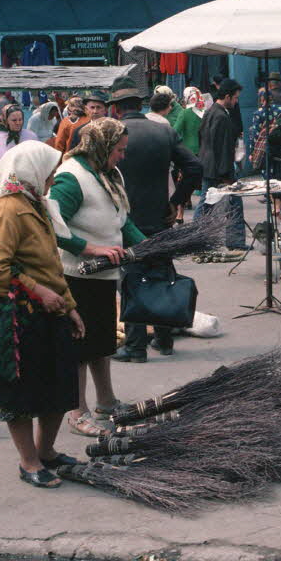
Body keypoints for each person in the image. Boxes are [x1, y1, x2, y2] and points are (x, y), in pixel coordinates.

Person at [0, 141, 85, 488]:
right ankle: (29, 461)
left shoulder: (36, 204)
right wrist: (39, 290)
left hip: (47, 309)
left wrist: (70, 307)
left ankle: (46, 451)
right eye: (49, 171)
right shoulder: (6, 210)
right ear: (32, 171)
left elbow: (51, 264)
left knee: (58, 386)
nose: (53, 178)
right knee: (18, 394)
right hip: (13, 312)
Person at [49, 118, 143, 437]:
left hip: (103, 275)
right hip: (77, 275)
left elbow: (121, 222)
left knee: (101, 343)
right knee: (79, 345)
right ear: (102, 147)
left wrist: (148, 246)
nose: (122, 156)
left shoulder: (107, 172)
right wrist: (88, 248)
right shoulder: (71, 177)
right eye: (119, 150)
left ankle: (107, 402)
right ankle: (77, 411)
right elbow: (52, 226)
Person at [109, 88, 201, 363]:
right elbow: (195, 167)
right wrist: (177, 201)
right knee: (160, 275)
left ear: (116, 108)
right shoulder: (163, 132)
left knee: (132, 279)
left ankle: (136, 346)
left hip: (125, 219)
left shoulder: (113, 135)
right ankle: (164, 338)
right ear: (140, 104)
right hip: (160, 218)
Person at [195, 78, 247, 251]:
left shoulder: (210, 112)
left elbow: (202, 137)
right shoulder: (222, 116)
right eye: (235, 98)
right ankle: (235, 241)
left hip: (208, 164)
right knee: (229, 204)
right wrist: (227, 176)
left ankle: (197, 239)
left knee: (206, 204)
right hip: (218, 168)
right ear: (227, 96)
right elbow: (223, 148)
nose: (236, 101)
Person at [0, 103, 38, 200]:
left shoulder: (31, 136)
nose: (18, 123)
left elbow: (38, 163)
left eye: (20, 120)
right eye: (14, 120)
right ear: (5, 120)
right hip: (1, 188)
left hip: (27, 188)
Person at [174, 86, 207, 155]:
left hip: (189, 150)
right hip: (205, 149)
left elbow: (175, 131)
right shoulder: (206, 111)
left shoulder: (184, 113)